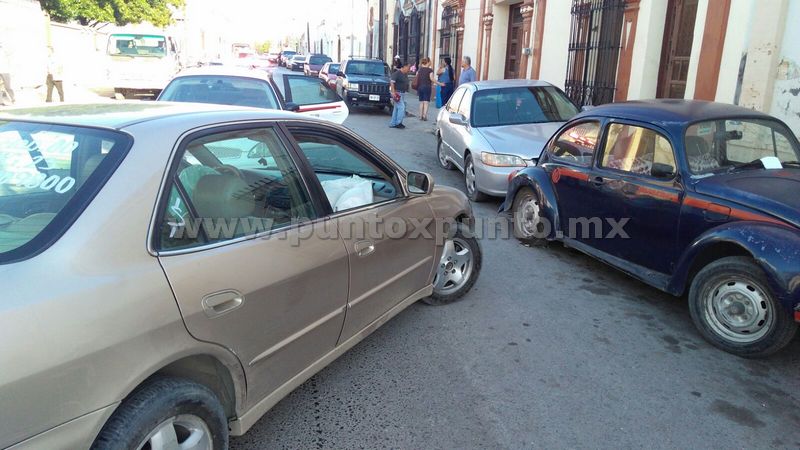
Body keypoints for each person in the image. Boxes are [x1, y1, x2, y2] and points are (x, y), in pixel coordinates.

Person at [389, 61, 411, 129]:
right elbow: (392, 82)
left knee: (396, 108)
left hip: (402, 93)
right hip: (397, 93)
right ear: (404, 67)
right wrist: (393, 93)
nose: (409, 69)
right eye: (408, 67)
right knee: (402, 107)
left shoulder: (405, 74)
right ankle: (398, 123)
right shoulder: (397, 73)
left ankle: (393, 123)